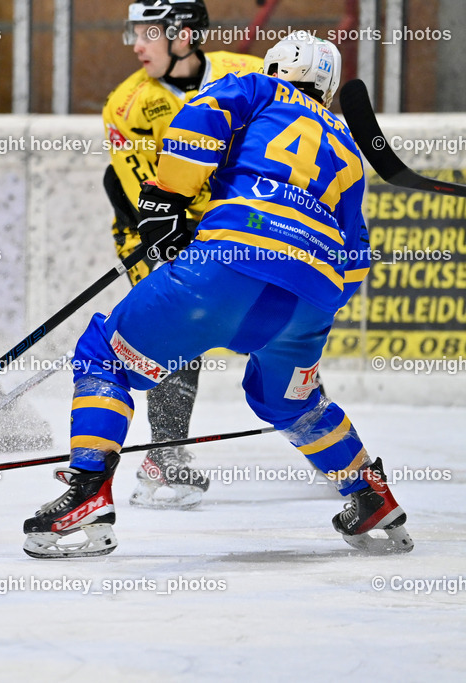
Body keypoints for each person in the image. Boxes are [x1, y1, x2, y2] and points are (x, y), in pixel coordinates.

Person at [24, 32, 413, 558]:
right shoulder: (347, 149)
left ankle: (88, 491)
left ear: (277, 66)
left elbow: (200, 120)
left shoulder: (257, 88)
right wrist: (307, 302)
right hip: (308, 299)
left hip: (226, 265)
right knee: (291, 401)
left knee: (104, 356)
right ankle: (370, 496)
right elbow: (357, 258)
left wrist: (167, 199)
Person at [103, 0, 262, 509]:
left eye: (147, 32)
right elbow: (140, 196)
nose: (135, 45)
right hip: (154, 231)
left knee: (279, 325)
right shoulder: (127, 105)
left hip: (238, 230)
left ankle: (335, 454)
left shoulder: (249, 75)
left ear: (184, 34)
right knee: (180, 333)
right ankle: (164, 458)